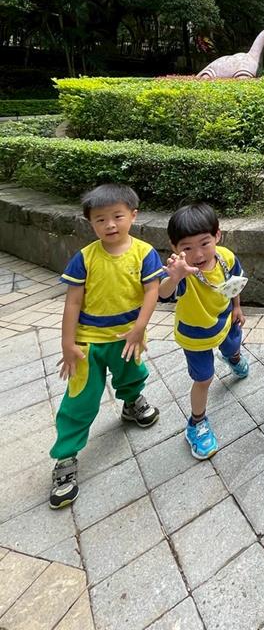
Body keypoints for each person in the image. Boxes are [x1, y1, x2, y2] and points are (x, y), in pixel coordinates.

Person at [49, 184, 164, 509]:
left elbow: (152, 291)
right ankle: (65, 457)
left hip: (128, 337)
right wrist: (67, 344)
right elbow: (73, 302)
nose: (110, 224)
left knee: (132, 374)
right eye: (100, 219)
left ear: (133, 215)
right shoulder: (84, 258)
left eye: (117, 216)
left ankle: (131, 403)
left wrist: (139, 329)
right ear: (91, 223)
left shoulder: (145, 253)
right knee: (80, 399)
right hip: (88, 343)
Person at [160, 203, 250, 460]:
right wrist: (175, 277)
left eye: (204, 243)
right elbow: (163, 293)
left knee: (232, 346)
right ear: (175, 247)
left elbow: (234, 284)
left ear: (217, 235)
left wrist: (237, 307)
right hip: (195, 335)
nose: (198, 254)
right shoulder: (182, 271)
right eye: (187, 248)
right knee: (204, 379)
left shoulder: (225, 257)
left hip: (225, 320)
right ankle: (196, 423)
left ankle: (233, 357)